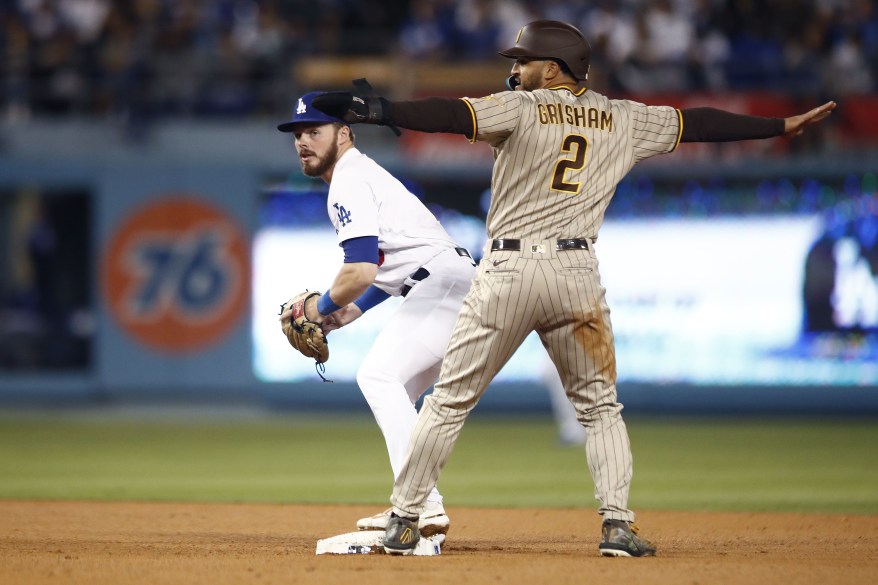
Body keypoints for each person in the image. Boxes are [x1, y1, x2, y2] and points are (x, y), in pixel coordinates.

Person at [314, 19, 836, 557]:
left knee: (447, 401)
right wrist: (778, 126)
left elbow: (450, 115)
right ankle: (617, 527)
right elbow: (700, 124)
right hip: (577, 275)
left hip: (510, 272)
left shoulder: (519, 107)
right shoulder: (624, 117)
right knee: (600, 408)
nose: (515, 68)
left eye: (524, 60)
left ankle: (404, 519)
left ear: (554, 66)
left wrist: (383, 112)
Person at [276, 92, 477, 544]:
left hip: (444, 285)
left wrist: (317, 307)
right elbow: (389, 270)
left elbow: (360, 268)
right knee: (397, 391)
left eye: (315, 131)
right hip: (446, 283)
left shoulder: (348, 178)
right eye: (298, 134)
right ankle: (412, 501)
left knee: (377, 377)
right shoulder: (360, 175)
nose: (303, 141)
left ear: (344, 133)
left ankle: (421, 505)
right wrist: (347, 311)